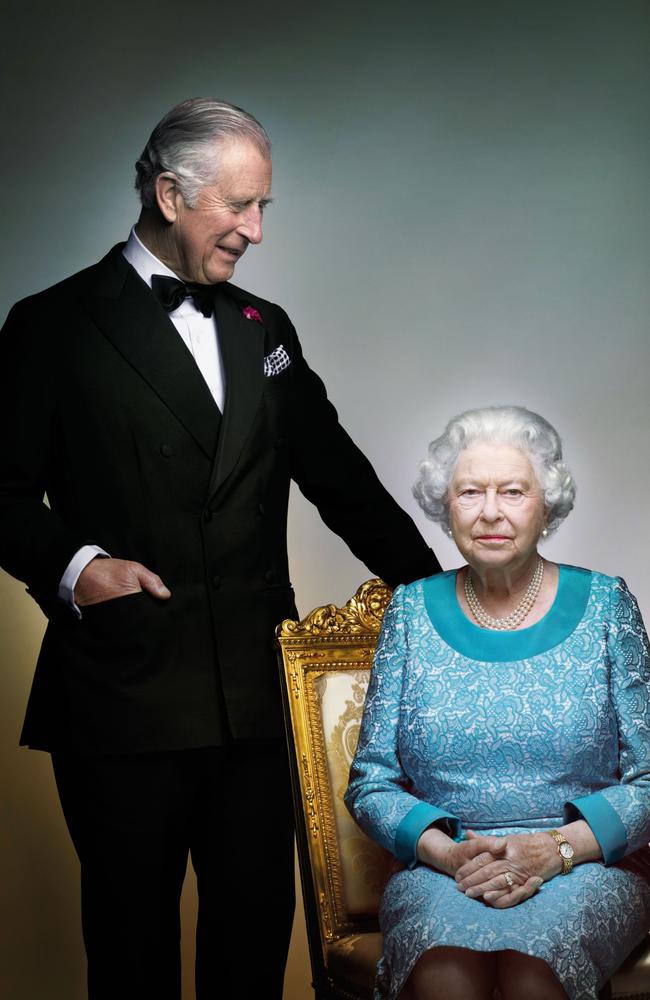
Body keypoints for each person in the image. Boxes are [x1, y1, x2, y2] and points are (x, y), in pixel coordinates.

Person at [0, 98, 440, 1000]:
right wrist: (79, 568)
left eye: (263, 207)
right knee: (131, 952)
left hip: (251, 697)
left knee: (252, 942)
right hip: (123, 693)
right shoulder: (51, 325)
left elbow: (341, 480)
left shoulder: (263, 328)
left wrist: (441, 597)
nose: (255, 230)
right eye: (239, 206)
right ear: (169, 194)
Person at [345, 405, 650, 1000]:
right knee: (446, 968)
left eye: (512, 491)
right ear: (445, 505)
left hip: (587, 864)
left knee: (535, 967)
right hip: (445, 866)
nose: (490, 512)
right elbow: (370, 783)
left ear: (546, 504)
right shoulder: (409, 612)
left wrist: (557, 849)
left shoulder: (607, 606)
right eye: (469, 492)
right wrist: (447, 854)